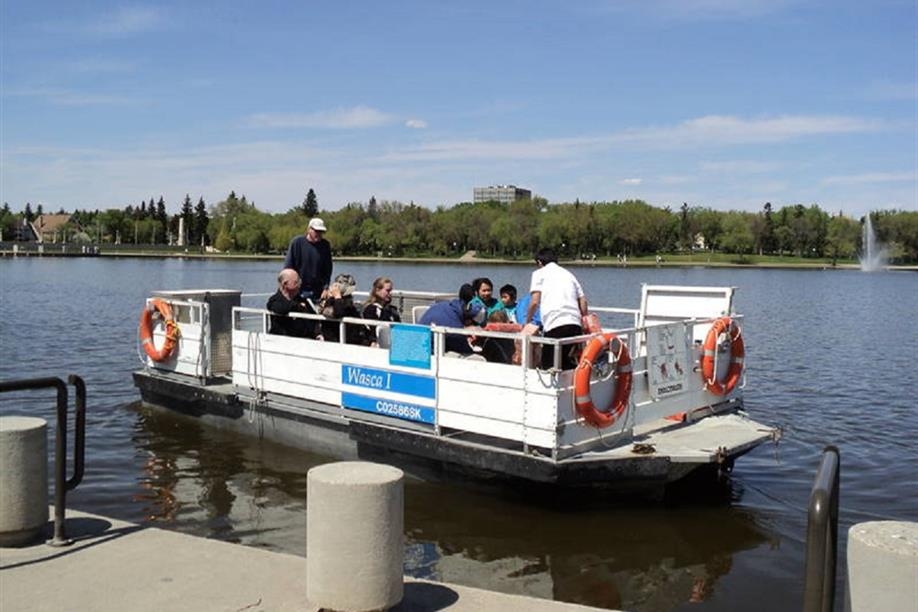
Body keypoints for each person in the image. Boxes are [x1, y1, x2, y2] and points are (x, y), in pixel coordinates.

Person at [525, 247, 588, 370]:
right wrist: (583, 320)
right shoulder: (569, 274)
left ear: (539, 262)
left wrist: (527, 321)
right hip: (575, 324)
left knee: (549, 364)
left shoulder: (539, 274)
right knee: (568, 364)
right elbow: (583, 301)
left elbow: (534, 301)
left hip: (555, 324)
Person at [418, 284, 486, 354]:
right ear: (468, 318)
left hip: (417, 344)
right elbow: (465, 350)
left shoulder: (445, 305)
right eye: (473, 323)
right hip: (426, 355)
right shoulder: (455, 330)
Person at [284, 217, 332, 303]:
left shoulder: (325, 245)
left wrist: (326, 288)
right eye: (316, 231)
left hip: (318, 292)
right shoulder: (297, 243)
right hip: (298, 291)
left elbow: (328, 270)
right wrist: (290, 288)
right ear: (309, 229)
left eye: (321, 232)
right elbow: (288, 268)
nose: (319, 234)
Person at [266, 268, 315, 337]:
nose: (299, 284)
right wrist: (299, 306)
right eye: (296, 282)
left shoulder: (302, 300)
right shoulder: (274, 300)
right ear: (285, 284)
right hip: (283, 340)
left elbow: (314, 317)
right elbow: (280, 308)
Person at [318, 273, 366, 345]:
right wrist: (337, 297)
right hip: (336, 340)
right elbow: (338, 313)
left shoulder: (349, 304)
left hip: (352, 337)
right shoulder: (331, 302)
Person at [362, 276, 401, 346]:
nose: (390, 294)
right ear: (377, 290)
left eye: (391, 291)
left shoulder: (392, 309)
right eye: (387, 291)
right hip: (379, 343)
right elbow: (374, 331)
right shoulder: (371, 309)